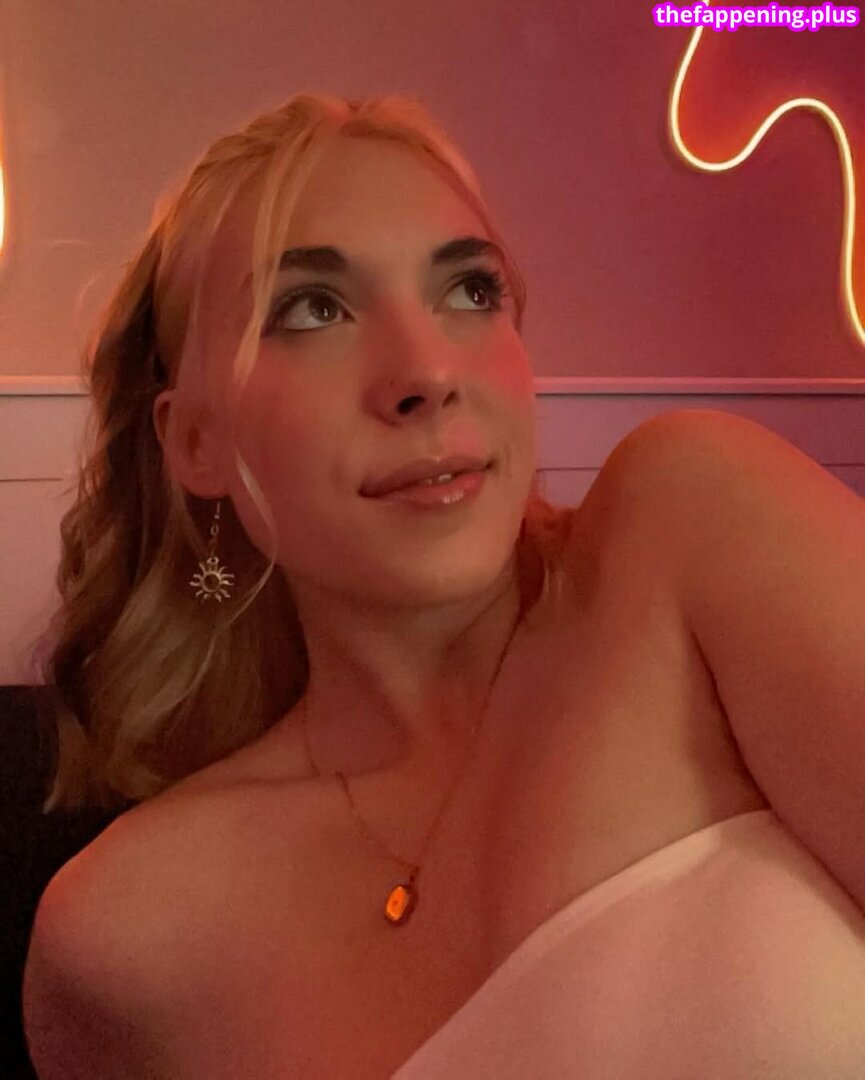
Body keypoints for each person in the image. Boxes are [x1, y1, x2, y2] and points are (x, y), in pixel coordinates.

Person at [21, 93, 865, 1079]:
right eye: (313, 309)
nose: (426, 371)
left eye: (470, 290)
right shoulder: (124, 934)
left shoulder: (690, 526)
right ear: (194, 440)